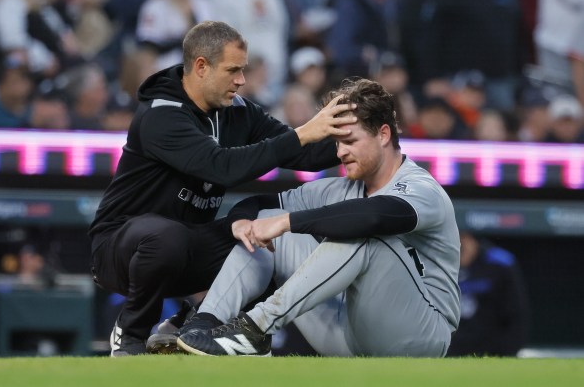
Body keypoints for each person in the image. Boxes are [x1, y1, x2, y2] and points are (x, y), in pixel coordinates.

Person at [88, 20, 357, 357]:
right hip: (120, 251)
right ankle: (130, 333)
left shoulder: (237, 111)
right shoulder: (161, 115)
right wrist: (302, 132)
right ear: (201, 66)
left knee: (264, 234)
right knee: (165, 236)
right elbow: (221, 166)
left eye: (243, 70)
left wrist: (357, 136)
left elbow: (302, 152)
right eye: (233, 70)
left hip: (186, 249)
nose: (241, 80)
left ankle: (189, 326)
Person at [175, 77, 461, 357]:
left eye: (349, 141)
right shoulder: (342, 188)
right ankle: (201, 326)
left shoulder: (421, 187)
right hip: (346, 332)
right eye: (336, 143)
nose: (340, 152)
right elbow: (259, 204)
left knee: (359, 233)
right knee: (271, 216)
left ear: (383, 134)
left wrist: (288, 222)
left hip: (420, 333)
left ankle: (253, 329)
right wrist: (243, 221)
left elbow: (374, 216)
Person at [447, 232, 529, 357]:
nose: (458, 247)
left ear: (472, 239)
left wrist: (509, 351)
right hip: (451, 350)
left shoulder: (500, 263)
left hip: (491, 350)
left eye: (462, 241)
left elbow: (516, 313)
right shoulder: (440, 262)